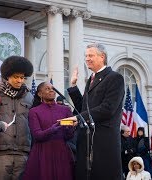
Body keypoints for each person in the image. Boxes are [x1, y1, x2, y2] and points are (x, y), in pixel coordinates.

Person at [64, 42, 125, 180]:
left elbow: (107, 109)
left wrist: (79, 118)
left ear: (102, 56)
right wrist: (73, 86)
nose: (87, 59)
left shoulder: (115, 78)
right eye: (86, 56)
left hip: (103, 140)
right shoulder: (91, 79)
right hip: (86, 138)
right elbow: (84, 108)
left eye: (90, 55)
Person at [22, 82, 75, 180]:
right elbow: (37, 135)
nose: (51, 90)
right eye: (47, 89)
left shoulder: (66, 109)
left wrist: (70, 128)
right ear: (39, 94)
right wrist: (52, 129)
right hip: (42, 153)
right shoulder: (34, 111)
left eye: (52, 88)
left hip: (61, 152)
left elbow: (69, 136)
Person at [0, 55, 34, 180]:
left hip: (23, 151)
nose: (19, 80)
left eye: (22, 77)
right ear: (7, 76)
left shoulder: (29, 97)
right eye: (16, 77)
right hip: (1, 150)